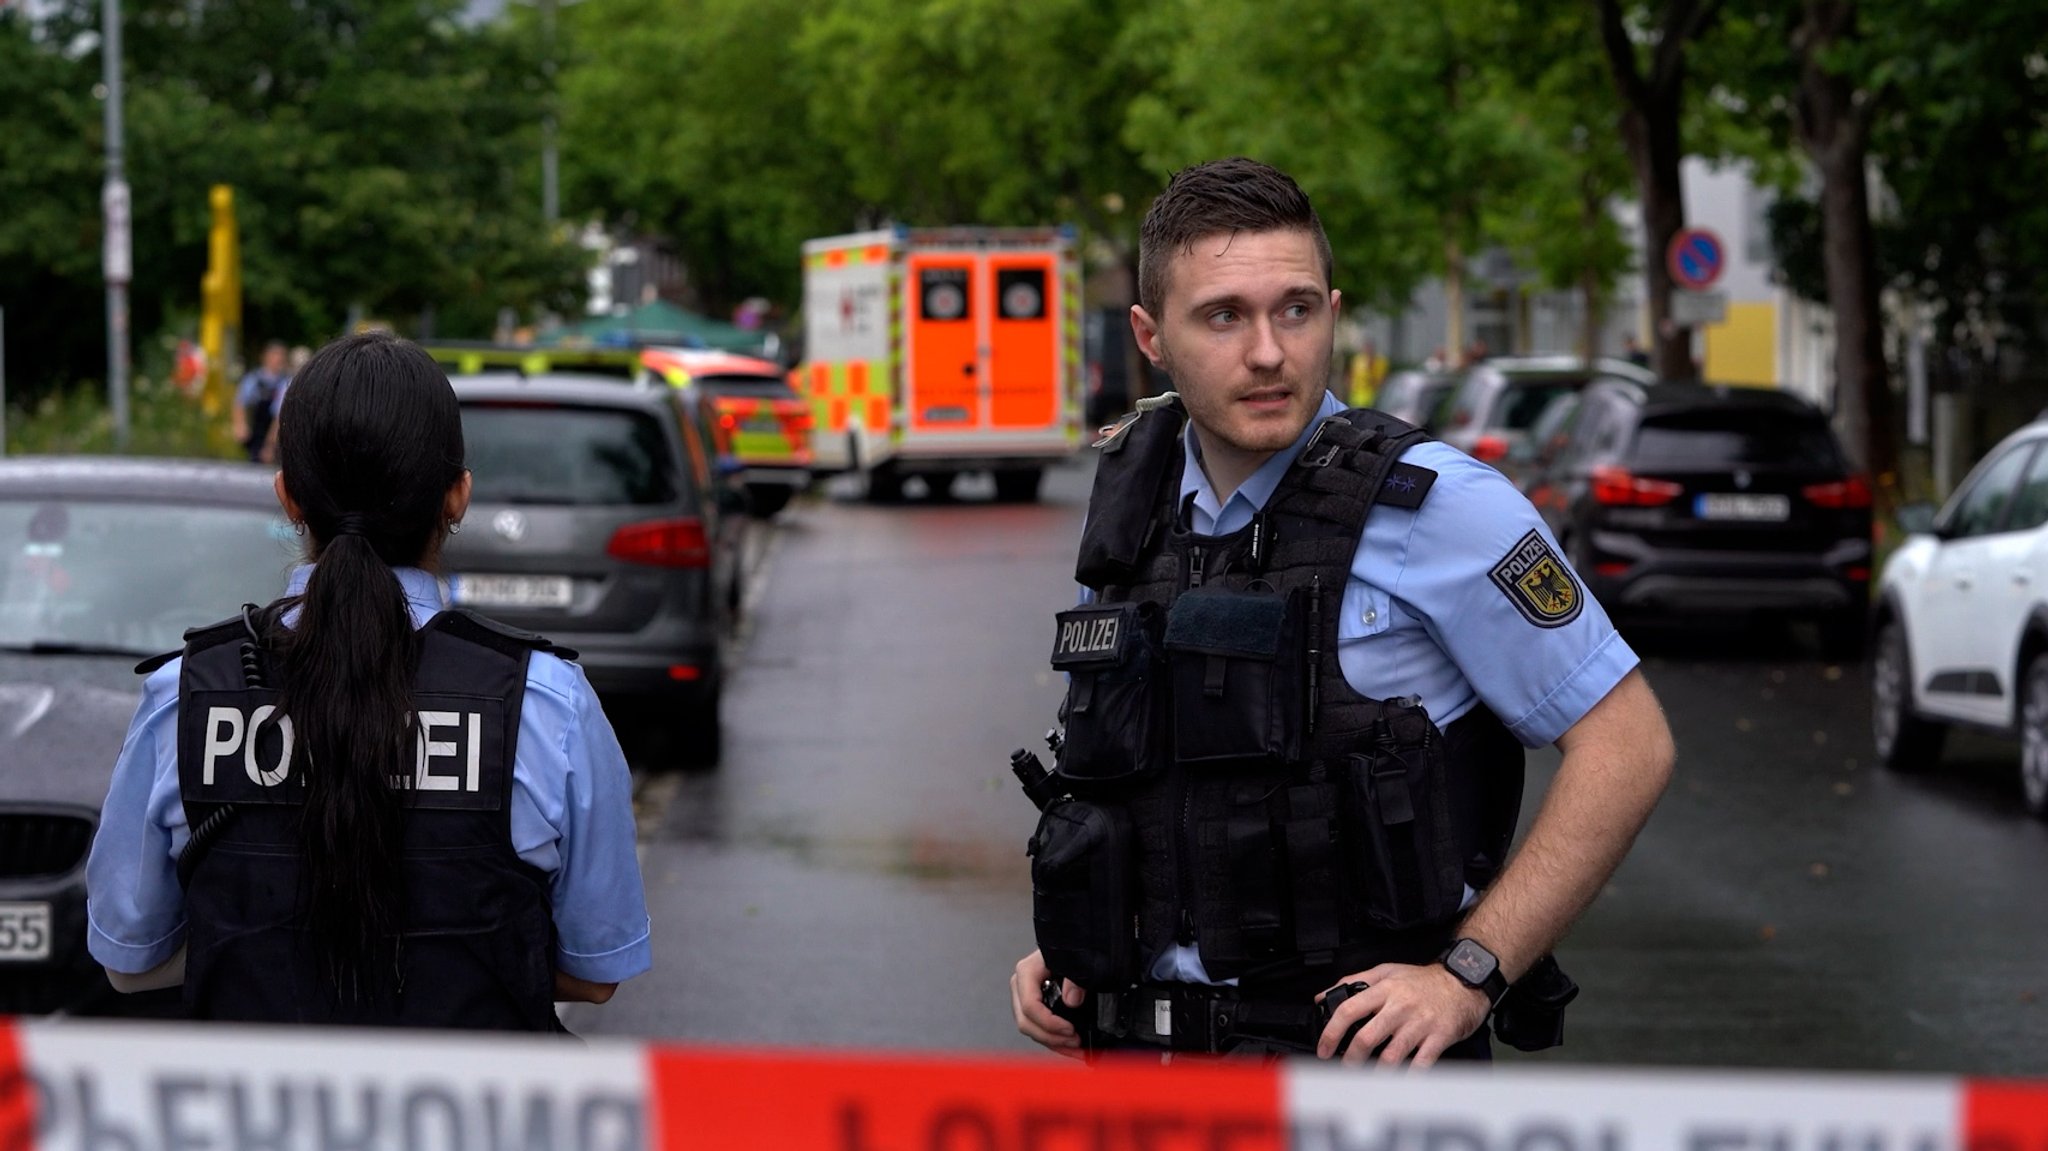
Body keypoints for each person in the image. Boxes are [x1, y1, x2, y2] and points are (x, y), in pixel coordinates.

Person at [1008, 158, 1673, 1067]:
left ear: (1333, 307)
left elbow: (1628, 744)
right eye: (1222, 316)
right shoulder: (1128, 513)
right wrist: (1079, 944)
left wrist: (1470, 973)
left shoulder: (1441, 507)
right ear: (1150, 335)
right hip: (1143, 1080)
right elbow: (1146, 781)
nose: (1270, 351)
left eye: (1296, 307)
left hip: (1359, 1088)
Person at [86, 331, 652, 1029]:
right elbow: (596, 973)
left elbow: (129, 957)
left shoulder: (185, 696)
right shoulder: (547, 701)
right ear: (458, 495)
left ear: (288, 496)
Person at [232, 342, 291, 463]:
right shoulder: (253, 379)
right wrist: (240, 425)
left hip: (273, 434)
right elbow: (240, 402)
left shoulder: (284, 383)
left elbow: (279, 417)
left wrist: (270, 445)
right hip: (255, 431)